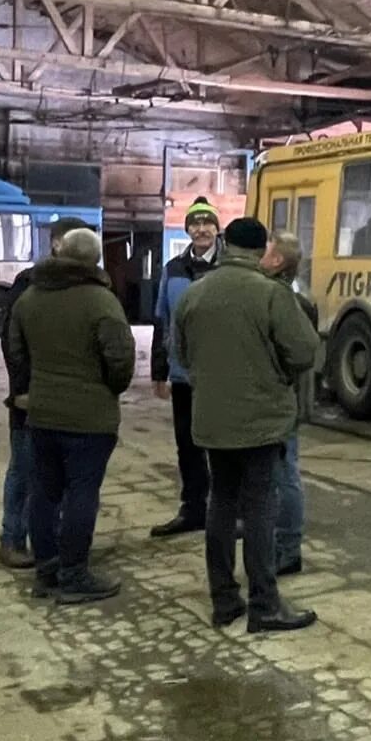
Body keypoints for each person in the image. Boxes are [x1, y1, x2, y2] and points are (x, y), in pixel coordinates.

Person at [175, 217, 322, 633]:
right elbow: (305, 351)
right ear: (261, 252)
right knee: (259, 509)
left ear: (225, 245)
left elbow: (182, 354)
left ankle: (224, 602)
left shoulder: (194, 293)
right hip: (260, 421)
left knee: (219, 504)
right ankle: (264, 605)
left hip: (211, 419)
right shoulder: (272, 295)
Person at [5, 228, 135, 605]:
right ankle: (75, 573)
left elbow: (16, 350)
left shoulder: (30, 297)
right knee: (81, 493)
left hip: (42, 414)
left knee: (44, 493)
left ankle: (46, 572)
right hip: (89, 418)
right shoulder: (101, 302)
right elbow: (121, 359)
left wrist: (34, 387)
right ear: (94, 260)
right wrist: (109, 388)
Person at [0, 214, 91, 569]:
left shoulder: (89, 286)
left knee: (58, 476)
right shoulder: (29, 283)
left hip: (69, 400)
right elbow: (13, 344)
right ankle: (12, 539)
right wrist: (23, 391)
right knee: (24, 469)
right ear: (56, 244)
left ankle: (50, 539)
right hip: (32, 400)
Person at [149, 198, 221, 538]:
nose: (202, 229)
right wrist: (158, 371)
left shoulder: (229, 267)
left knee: (222, 445)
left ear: (217, 229)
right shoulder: (173, 268)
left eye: (208, 223)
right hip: (182, 374)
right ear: (187, 229)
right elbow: (161, 319)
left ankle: (225, 512)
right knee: (188, 445)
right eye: (195, 223)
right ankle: (193, 509)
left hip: (222, 375)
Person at [260, 230, 318, 576]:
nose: (260, 258)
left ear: (278, 261)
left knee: (284, 475)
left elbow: (294, 355)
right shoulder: (291, 298)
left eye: (265, 253)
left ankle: (287, 549)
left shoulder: (291, 303)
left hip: (283, 402)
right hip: (283, 401)